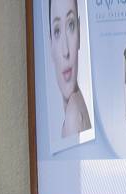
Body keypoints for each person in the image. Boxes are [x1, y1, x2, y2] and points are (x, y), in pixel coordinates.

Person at [49, 0, 92, 138]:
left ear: (79, 32)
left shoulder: (73, 116)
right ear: (50, 44)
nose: (65, 50)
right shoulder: (79, 105)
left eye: (71, 25)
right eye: (57, 31)